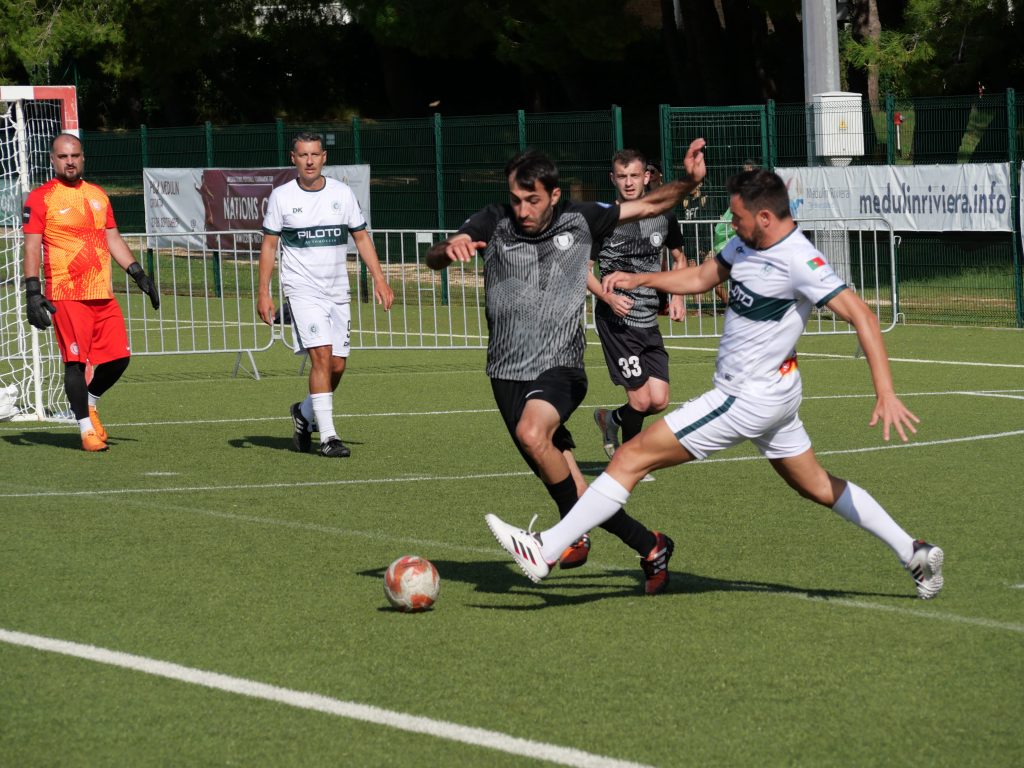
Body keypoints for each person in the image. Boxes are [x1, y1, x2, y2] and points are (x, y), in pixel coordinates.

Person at [486, 168, 944, 600]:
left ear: (765, 218)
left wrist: (885, 392)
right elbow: (701, 277)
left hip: (747, 398)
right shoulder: (746, 244)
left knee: (629, 457)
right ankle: (914, 552)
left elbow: (863, 316)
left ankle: (546, 549)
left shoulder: (799, 259)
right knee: (817, 485)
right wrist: (642, 278)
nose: (731, 224)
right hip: (775, 396)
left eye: (737, 217)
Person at [428, 138, 706, 593]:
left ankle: (556, 542)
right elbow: (435, 256)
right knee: (572, 488)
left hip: (560, 367)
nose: (523, 210)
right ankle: (650, 545)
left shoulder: (582, 218)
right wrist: (450, 247)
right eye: (516, 199)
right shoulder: (494, 220)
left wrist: (690, 183)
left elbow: (650, 205)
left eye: (533, 200)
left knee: (532, 433)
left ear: (554, 195)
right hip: (505, 372)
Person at [258, 132, 394, 457]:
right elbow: (269, 246)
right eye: (303, 155)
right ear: (293, 158)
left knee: (337, 365)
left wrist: (380, 279)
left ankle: (304, 413)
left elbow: (361, 238)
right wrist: (263, 292)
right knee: (321, 355)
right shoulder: (281, 197)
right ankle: (329, 437)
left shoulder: (342, 194)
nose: (309, 161)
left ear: (324, 158)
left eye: (314, 155)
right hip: (302, 290)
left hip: (337, 291)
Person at [22, 133, 160, 452]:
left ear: (83, 158)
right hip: (67, 294)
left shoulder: (98, 194)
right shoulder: (41, 198)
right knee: (75, 363)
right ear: (53, 160)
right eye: (63, 157)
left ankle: (90, 402)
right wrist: (33, 291)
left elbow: (112, 237)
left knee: (119, 359)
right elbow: (31, 246)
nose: (69, 162)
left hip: (102, 293)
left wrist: (138, 273)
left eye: (75, 156)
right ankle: (85, 429)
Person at [589, 149, 686, 476]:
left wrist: (676, 295)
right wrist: (608, 297)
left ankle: (610, 419)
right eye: (622, 176)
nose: (629, 183)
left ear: (647, 177)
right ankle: (629, 463)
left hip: (647, 318)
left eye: (634, 175)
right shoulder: (604, 220)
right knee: (642, 400)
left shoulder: (664, 217)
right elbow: (582, 270)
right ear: (613, 179)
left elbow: (679, 259)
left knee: (659, 400)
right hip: (616, 321)